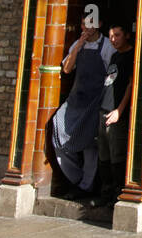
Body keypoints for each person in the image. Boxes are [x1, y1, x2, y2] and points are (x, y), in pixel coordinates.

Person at [51, 19, 114, 200]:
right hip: (76, 100)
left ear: (100, 24)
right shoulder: (77, 45)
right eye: (84, 24)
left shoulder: (107, 46)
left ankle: (86, 186)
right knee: (59, 133)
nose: (87, 27)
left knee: (90, 145)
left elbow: (112, 73)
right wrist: (78, 45)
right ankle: (76, 178)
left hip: (95, 101)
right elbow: (67, 69)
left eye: (91, 23)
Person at [93, 24, 135, 208]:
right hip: (104, 108)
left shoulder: (131, 56)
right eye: (110, 36)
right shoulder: (115, 55)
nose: (113, 39)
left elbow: (130, 85)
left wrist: (119, 110)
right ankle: (106, 193)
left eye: (117, 35)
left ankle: (117, 194)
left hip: (117, 112)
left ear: (126, 35)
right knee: (103, 154)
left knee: (116, 154)